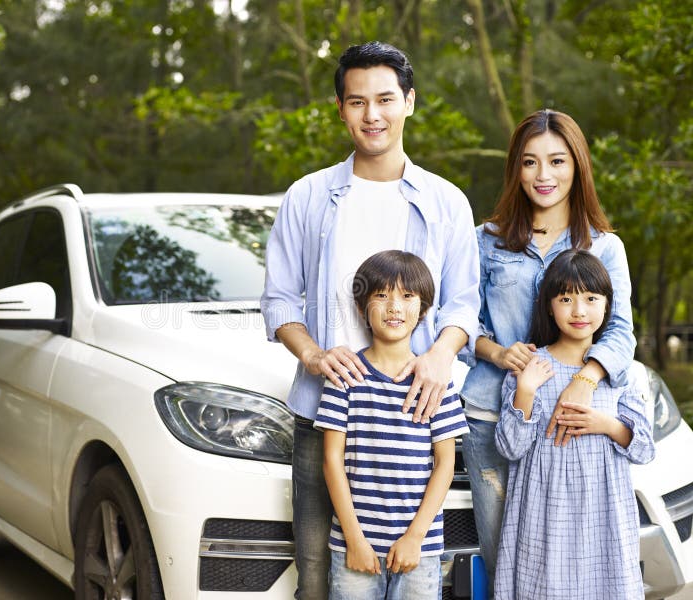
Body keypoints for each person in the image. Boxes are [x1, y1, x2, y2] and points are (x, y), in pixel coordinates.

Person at [261, 41, 480, 599]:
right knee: (320, 573)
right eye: (357, 102)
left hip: (414, 417)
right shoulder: (308, 197)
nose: (372, 115)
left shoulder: (446, 201)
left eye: (385, 99)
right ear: (340, 108)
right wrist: (311, 354)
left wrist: (439, 355)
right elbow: (280, 299)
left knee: (417, 573)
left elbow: (461, 304)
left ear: (410, 101)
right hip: (326, 412)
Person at [458, 109, 636, 590]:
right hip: (495, 419)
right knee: (508, 563)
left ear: (576, 165)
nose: (544, 175)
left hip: (576, 424)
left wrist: (586, 379)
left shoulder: (603, 247)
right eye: (530, 162)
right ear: (516, 168)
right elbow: (454, 324)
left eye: (557, 161)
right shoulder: (486, 241)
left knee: (579, 562)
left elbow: (621, 332)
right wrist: (497, 353)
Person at [494, 249, 654, 599]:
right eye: (565, 298)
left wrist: (606, 424)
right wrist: (525, 389)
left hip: (604, 508)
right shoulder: (531, 365)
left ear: (608, 306)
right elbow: (509, 447)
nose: (579, 310)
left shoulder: (617, 371)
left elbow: (644, 448)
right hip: (545, 510)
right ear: (549, 305)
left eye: (590, 298)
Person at [316, 250, 469, 599]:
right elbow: (331, 461)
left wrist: (415, 537)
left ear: (424, 308)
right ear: (361, 309)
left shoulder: (435, 381)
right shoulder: (345, 376)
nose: (394, 307)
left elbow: (445, 464)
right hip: (354, 546)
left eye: (407, 296)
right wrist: (354, 539)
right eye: (381, 295)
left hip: (420, 548)